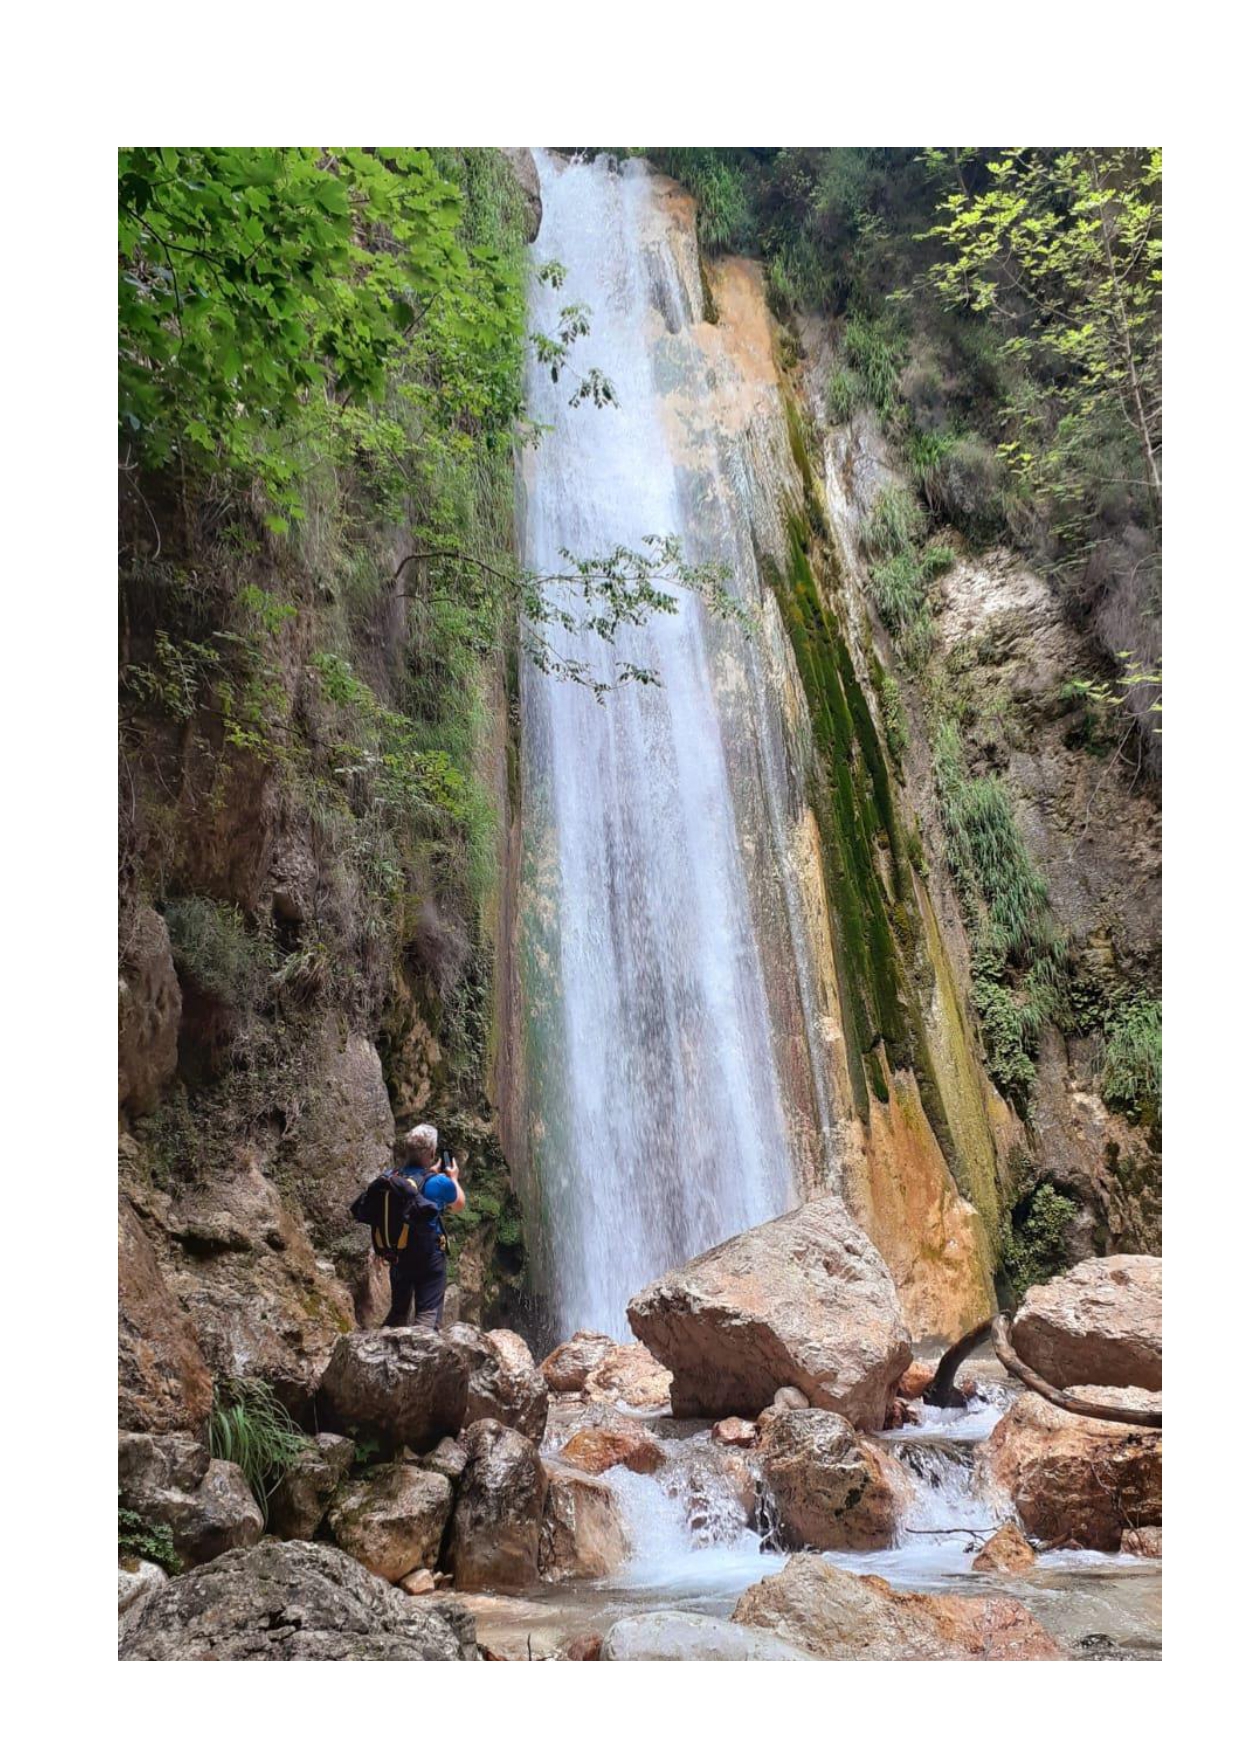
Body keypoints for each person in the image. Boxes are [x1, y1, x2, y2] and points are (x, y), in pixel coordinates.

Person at [382, 1123, 465, 1331]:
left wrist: (430, 1172)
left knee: (398, 1311)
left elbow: (415, 1184)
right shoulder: (439, 1183)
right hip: (429, 1259)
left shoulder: (392, 1177)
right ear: (432, 1152)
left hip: (398, 1255)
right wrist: (453, 1178)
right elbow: (458, 1205)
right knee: (427, 1316)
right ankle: (423, 1350)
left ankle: (383, 1352)